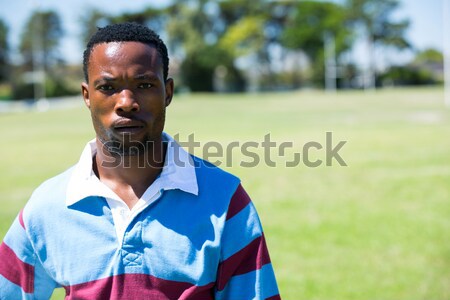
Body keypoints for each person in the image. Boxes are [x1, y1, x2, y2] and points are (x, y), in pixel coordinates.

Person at [0, 22, 280, 299]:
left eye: (144, 84)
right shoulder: (48, 206)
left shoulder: (225, 200)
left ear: (167, 92)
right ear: (87, 96)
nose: (126, 102)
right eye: (108, 87)